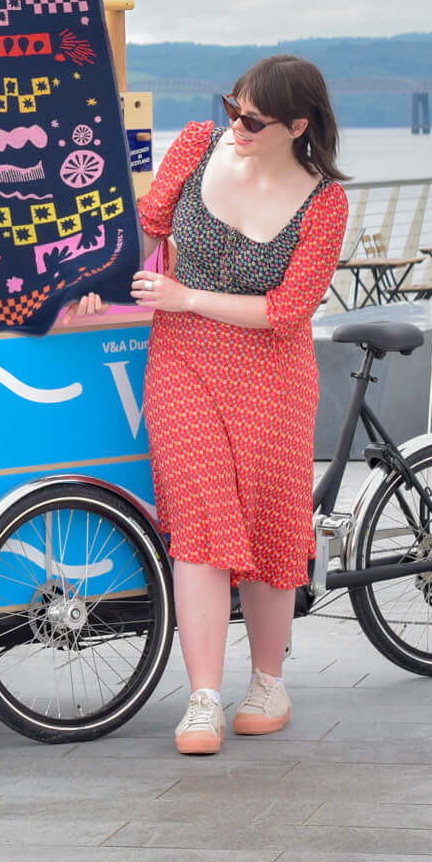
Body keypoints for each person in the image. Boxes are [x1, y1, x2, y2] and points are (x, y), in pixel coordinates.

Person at [74, 54, 349, 756]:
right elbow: (146, 225)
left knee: (265, 523)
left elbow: (289, 312)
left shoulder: (325, 202)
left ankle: (267, 683)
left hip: (273, 373)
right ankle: (202, 698)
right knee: (196, 515)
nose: (237, 125)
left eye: (254, 118)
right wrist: (95, 282)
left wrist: (188, 297)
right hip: (182, 360)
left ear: (298, 125)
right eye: (233, 106)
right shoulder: (197, 144)